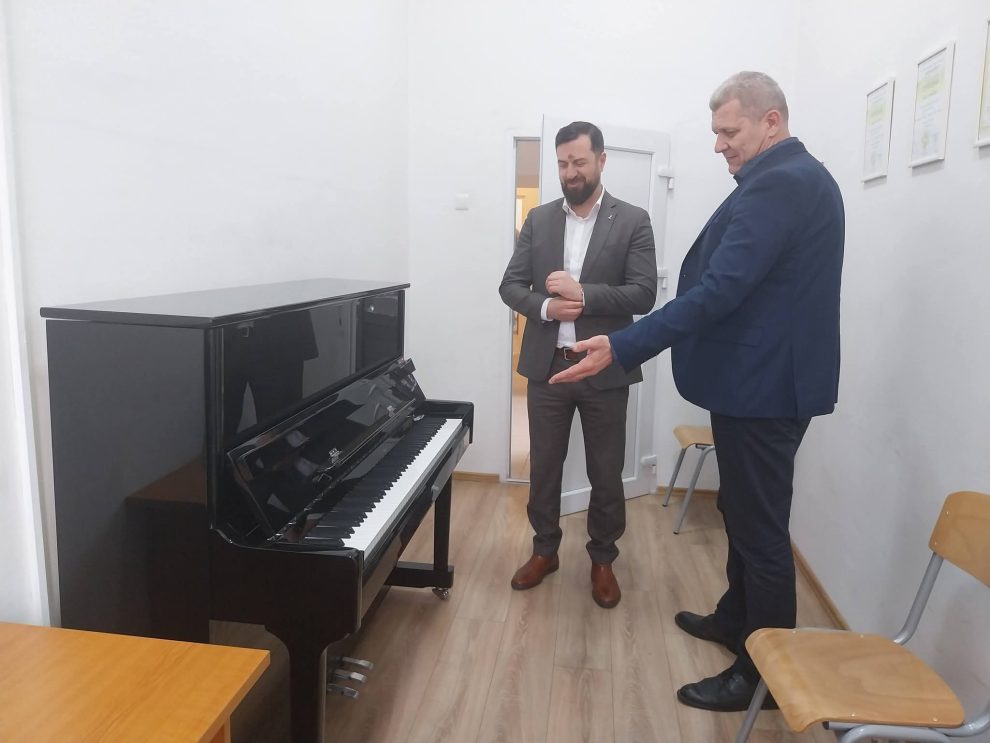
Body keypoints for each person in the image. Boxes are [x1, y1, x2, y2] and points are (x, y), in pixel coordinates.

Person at [549, 72, 844, 710]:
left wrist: (623, 344)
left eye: (729, 131)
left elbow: (720, 291)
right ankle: (737, 619)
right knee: (739, 511)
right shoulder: (784, 177)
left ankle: (762, 675)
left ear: (771, 121)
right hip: (757, 384)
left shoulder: (784, 183)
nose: (718, 144)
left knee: (761, 533)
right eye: (716, 132)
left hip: (767, 390)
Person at [499, 121, 658, 609]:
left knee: (606, 471)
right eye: (563, 163)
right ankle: (544, 551)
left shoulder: (633, 220)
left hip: (603, 369)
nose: (570, 172)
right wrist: (547, 307)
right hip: (547, 368)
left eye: (579, 162)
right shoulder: (539, 219)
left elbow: (643, 294)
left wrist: (583, 294)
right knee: (544, 467)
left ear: (601, 160)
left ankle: (603, 559)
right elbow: (510, 285)